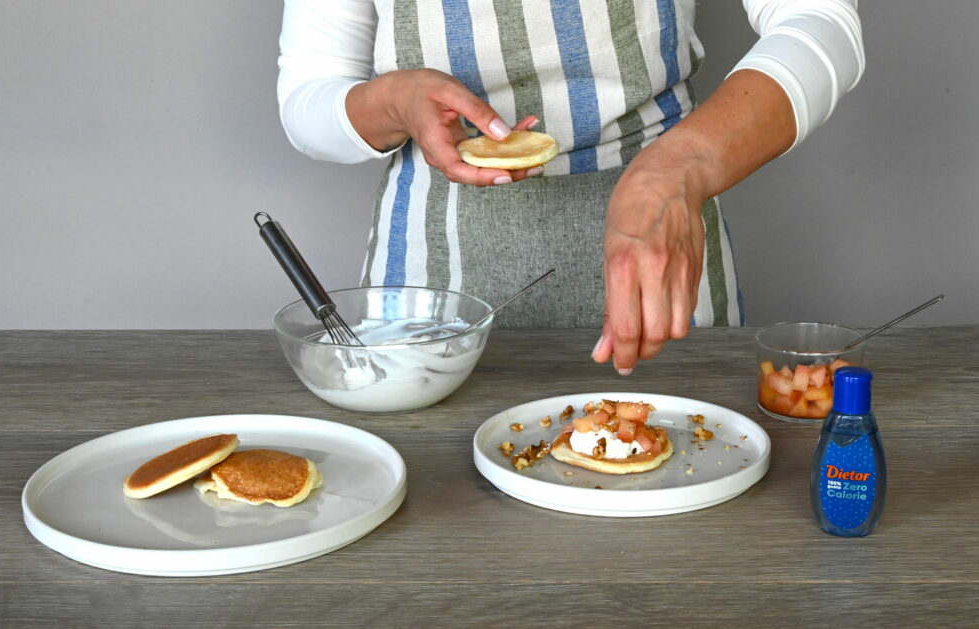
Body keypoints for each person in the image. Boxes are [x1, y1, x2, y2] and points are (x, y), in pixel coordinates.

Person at [276, 0, 864, 375]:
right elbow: (309, 99)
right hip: (431, 276)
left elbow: (822, 23)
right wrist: (395, 103)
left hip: (660, 248)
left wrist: (678, 168)